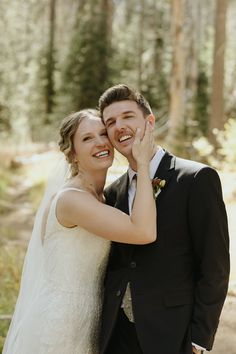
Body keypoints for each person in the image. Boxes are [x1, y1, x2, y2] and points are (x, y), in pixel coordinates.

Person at [3, 109, 157, 354]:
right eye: (87, 138)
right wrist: (144, 164)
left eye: (103, 133)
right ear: (72, 154)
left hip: (89, 321)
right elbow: (143, 232)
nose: (100, 142)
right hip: (60, 324)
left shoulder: (102, 196)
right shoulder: (72, 200)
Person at [98, 84, 230, 354]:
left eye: (127, 117)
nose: (118, 126)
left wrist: (199, 339)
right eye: (110, 122)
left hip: (174, 332)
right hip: (118, 334)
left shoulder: (196, 179)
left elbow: (215, 264)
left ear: (149, 122)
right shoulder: (112, 192)